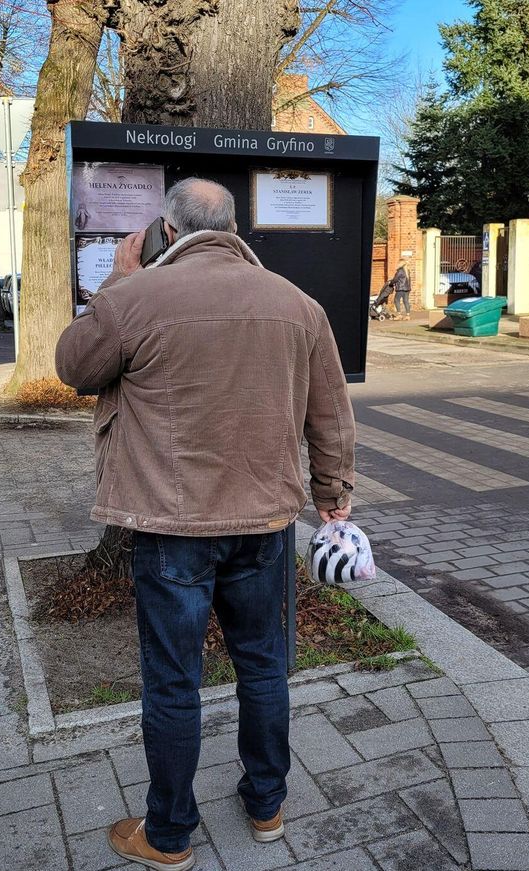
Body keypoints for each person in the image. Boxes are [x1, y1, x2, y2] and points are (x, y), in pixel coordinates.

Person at [55, 178, 355, 871]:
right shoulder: (297, 305)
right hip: (266, 524)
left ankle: (169, 835)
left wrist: (120, 283)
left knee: (171, 681)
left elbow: (74, 365)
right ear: (234, 228)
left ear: (167, 228)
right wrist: (333, 494)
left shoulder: (136, 298)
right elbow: (331, 412)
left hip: (171, 525)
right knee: (264, 665)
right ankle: (268, 804)